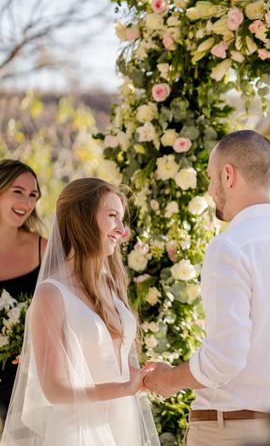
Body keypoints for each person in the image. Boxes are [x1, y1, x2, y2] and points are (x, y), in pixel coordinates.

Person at [143, 130, 270, 446]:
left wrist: (168, 379)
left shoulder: (230, 247)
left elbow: (224, 358)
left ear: (227, 175)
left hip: (232, 432)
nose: (210, 191)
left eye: (211, 178)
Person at [1, 178, 159, 445]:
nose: (121, 230)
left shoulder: (110, 284)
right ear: (82, 218)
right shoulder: (52, 294)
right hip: (78, 433)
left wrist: (142, 376)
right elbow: (54, 389)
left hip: (123, 423)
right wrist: (122, 388)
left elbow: (112, 359)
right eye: (112, 216)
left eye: (121, 219)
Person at [0, 160, 48, 422]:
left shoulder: (44, 250)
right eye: (17, 191)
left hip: (25, 383)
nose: (26, 202)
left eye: (33, 195)